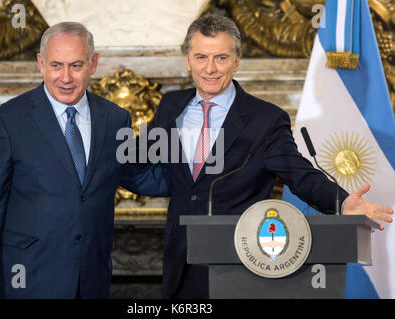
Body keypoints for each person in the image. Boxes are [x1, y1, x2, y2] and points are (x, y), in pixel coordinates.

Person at [147, 14, 393, 298]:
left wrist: (341, 202)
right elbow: (149, 163)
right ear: (188, 60)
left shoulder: (265, 119)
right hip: (179, 259)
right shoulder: (170, 105)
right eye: (201, 57)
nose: (210, 68)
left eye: (221, 58)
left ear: (236, 61)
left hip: (238, 263)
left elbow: (299, 173)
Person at [0, 22, 168, 299]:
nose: (66, 77)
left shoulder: (114, 118)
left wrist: (199, 177)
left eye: (76, 65)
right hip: (26, 277)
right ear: (41, 63)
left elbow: (136, 175)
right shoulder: (7, 120)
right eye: (56, 65)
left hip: (91, 276)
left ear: (93, 63)